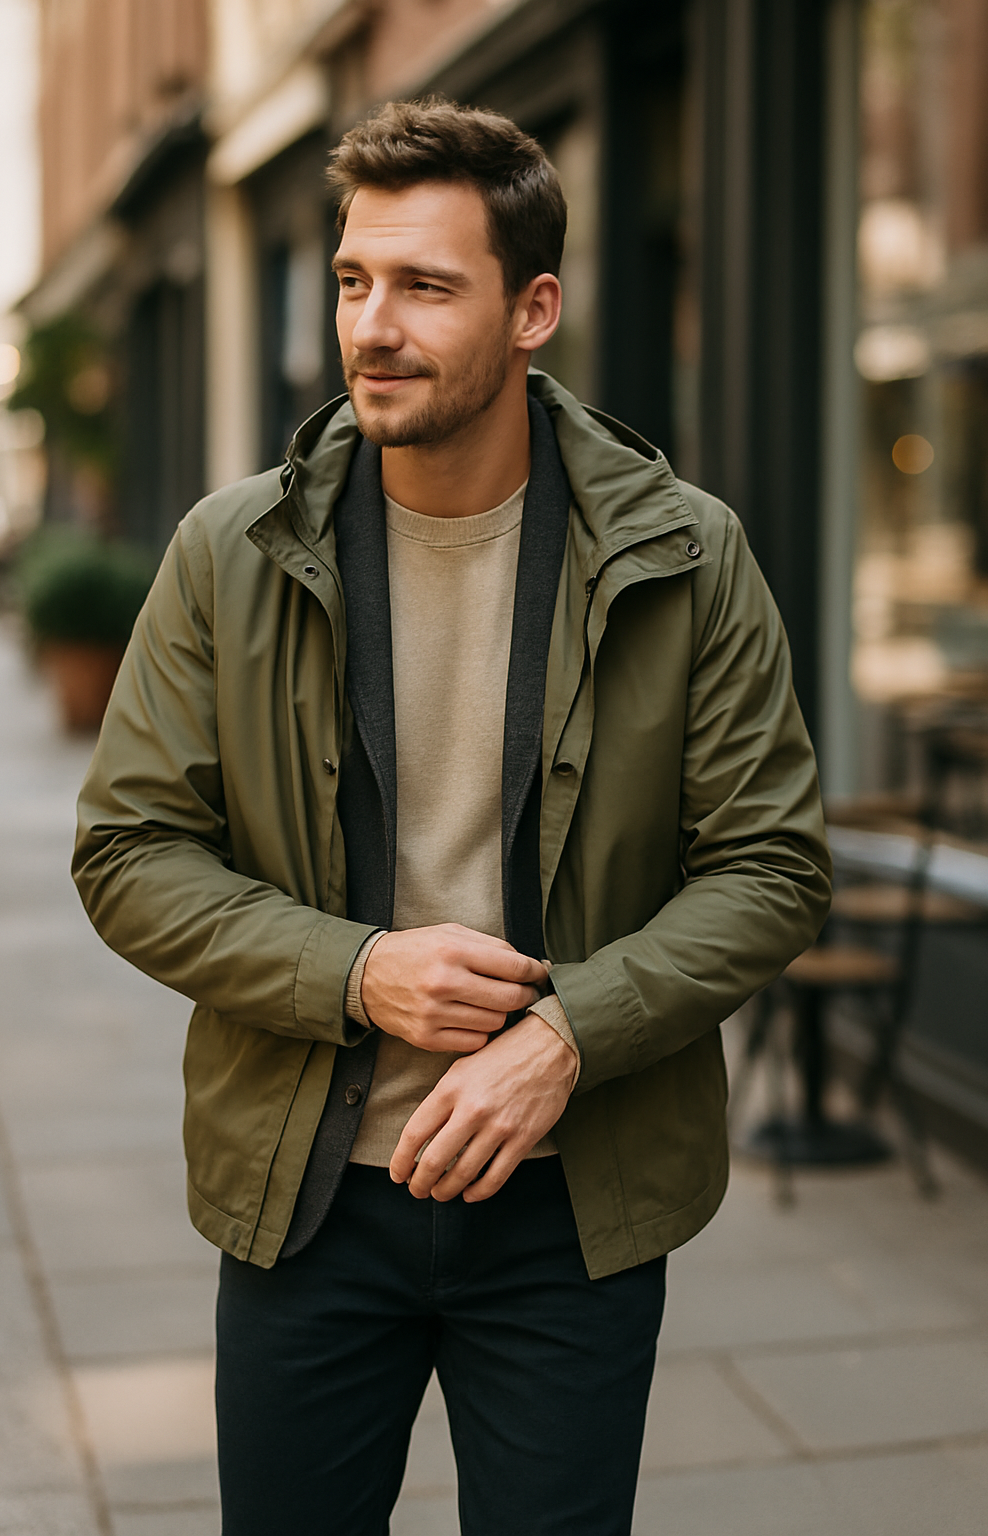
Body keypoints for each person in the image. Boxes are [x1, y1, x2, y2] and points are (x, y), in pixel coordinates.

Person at [73, 98, 831, 1536]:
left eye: (425, 286)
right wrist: (357, 971)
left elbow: (772, 864)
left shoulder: (688, 550)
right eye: (354, 279)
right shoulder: (230, 553)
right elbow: (127, 852)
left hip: (571, 1204)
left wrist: (568, 1035)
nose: (372, 326)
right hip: (304, 1195)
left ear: (533, 309)